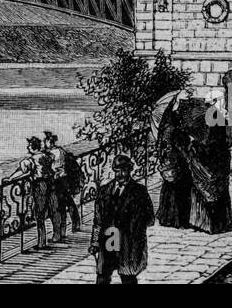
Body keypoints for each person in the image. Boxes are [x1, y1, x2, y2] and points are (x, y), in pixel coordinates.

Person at [90, 154, 155, 284]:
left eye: (123, 170)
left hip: (128, 242)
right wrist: (95, 242)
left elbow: (150, 219)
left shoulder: (139, 192)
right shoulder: (104, 191)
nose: (120, 174)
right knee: (102, 276)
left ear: (129, 170)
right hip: (108, 239)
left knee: (128, 277)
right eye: (117, 171)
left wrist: (134, 227)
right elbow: (98, 220)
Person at [6, 136, 58, 249]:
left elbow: (21, 171)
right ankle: (56, 234)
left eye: (29, 146)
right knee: (51, 210)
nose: (27, 147)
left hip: (39, 185)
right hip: (50, 183)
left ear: (33, 147)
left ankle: (41, 242)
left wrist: (10, 178)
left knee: (39, 214)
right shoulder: (47, 156)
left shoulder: (31, 160)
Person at [156, 102, 194, 229]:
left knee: (168, 190)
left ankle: (166, 218)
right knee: (180, 192)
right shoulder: (176, 131)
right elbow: (182, 148)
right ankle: (178, 220)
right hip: (178, 163)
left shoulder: (164, 129)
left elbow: (161, 147)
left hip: (168, 163)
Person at [44, 131, 83, 235]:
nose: (44, 143)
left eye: (46, 141)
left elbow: (57, 167)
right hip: (63, 179)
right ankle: (74, 224)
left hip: (60, 180)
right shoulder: (60, 150)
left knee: (62, 205)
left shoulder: (56, 153)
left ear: (50, 142)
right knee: (68, 203)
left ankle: (64, 230)